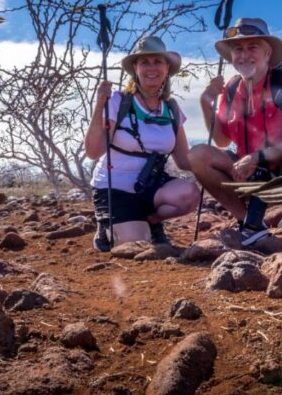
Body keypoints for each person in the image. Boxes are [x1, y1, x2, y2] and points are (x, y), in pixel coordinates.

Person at [189, 17, 282, 246]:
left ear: (267, 52)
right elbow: (221, 141)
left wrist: (259, 157)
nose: (244, 54)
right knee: (198, 155)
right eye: (238, 48)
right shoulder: (230, 88)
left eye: (253, 47)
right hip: (246, 170)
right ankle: (249, 225)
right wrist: (205, 102)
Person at [85, 36, 199, 252]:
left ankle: (152, 221)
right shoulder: (118, 101)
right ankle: (107, 224)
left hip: (151, 186)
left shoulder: (172, 109)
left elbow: (184, 161)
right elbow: (93, 152)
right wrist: (99, 106)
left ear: (167, 68)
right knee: (137, 247)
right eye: (144, 62)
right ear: (135, 68)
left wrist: (214, 168)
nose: (151, 68)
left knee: (190, 194)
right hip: (114, 187)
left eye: (158, 62)